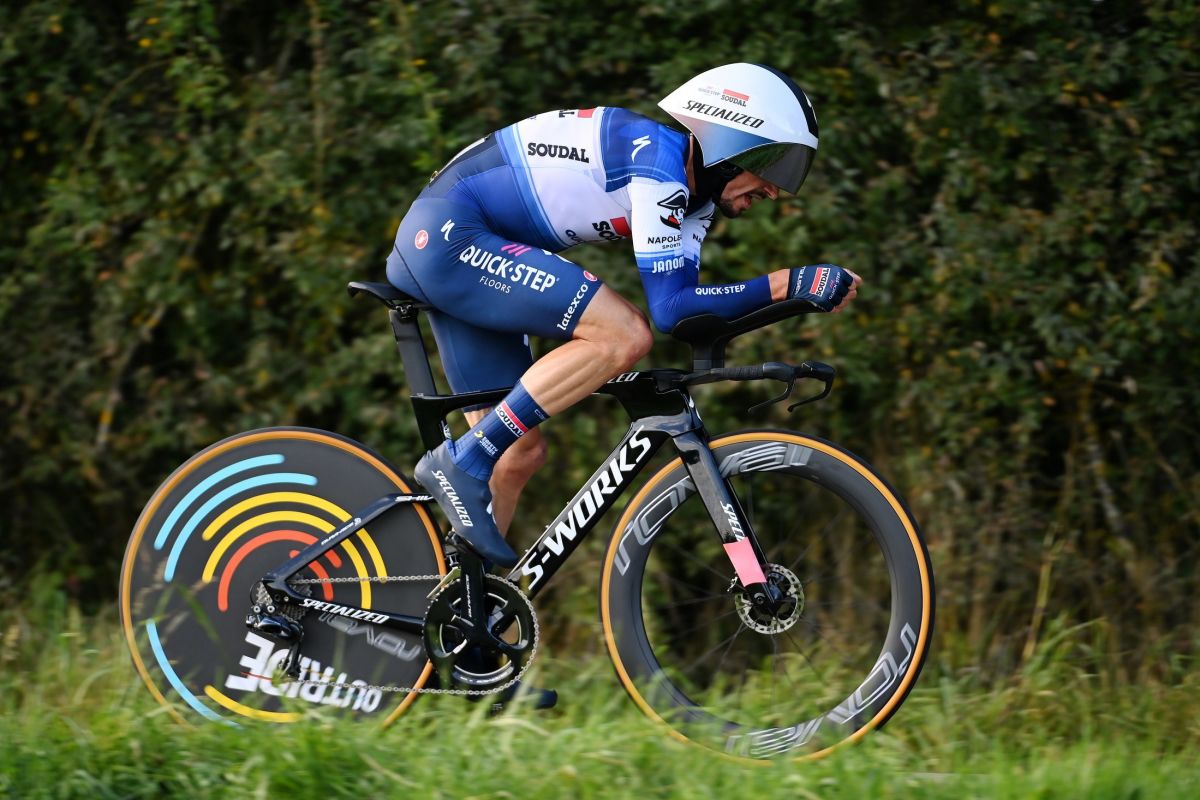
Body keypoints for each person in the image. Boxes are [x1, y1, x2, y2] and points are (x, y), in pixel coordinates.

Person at [387, 63, 860, 573]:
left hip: (470, 246)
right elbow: (668, 312)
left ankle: (459, 602)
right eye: (771, 166)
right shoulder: (660, 167)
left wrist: (793, 300)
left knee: (518, 454)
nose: (774, 191)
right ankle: (467, 461)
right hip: (449, 236)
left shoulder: (693, 202)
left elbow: (686, 312)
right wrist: (789, 282)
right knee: (622, 334)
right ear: (730, 146)